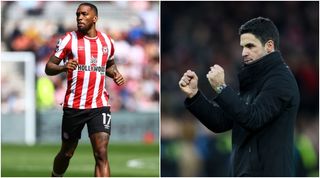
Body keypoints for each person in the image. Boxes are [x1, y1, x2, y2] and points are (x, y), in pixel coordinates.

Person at [178, 17, 300, 176]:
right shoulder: (255, 80)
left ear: (269, 46)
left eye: (250, 46)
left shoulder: (280, 80)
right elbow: (221, 122)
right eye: (242, 47)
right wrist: (195, 96)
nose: (243, 52)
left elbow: (253, 119)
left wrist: (221, 88)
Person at [45, 2, 124, 177]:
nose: (80, 17)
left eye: (84, 14)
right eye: (78, 14)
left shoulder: (107, 42)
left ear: (94, 18)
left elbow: (109, 66)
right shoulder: (69, 39)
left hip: (99, 105)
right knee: (67, 153)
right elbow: (49, 67)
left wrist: (116, 74)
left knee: (101, 153)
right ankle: (55, 175)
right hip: (74, 106)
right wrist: (64, 67)